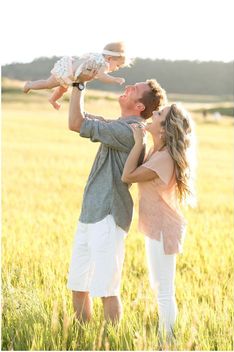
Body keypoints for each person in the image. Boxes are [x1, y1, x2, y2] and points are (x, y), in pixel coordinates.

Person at [67, 67, 167, 323]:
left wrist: (79, 85)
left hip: (108, 217)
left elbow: (75, 123)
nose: (128, 87)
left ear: (139, 107)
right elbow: (82, 116)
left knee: (107, 290)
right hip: (90, 214)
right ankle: (83, 341)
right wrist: (73, 83)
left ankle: (110, 344)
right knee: (79, 286)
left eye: (134, 89)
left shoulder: (131, 132)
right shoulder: (120, 125)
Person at [122, 103, 196, 342]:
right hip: (157, 227)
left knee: (164, 291)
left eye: (159, 114)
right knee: (160, 287)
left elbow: (128, 176)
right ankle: (167, 340)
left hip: (164, 229)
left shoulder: (163, 158)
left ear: (164, 130)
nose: (153, 113)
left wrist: (137, 142)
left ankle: (168, 343)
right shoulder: (158, 152)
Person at [23, 42, 128, 110]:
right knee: (48, 84)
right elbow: (102, 76)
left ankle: (53, 100)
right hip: (67, 71)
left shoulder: (98, 57)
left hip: (71, 74)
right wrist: (114, 79)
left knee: (62, 90)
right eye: (118, 65)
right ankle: (29, 85)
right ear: (109, 59)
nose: (117, 68)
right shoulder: (103, 64)